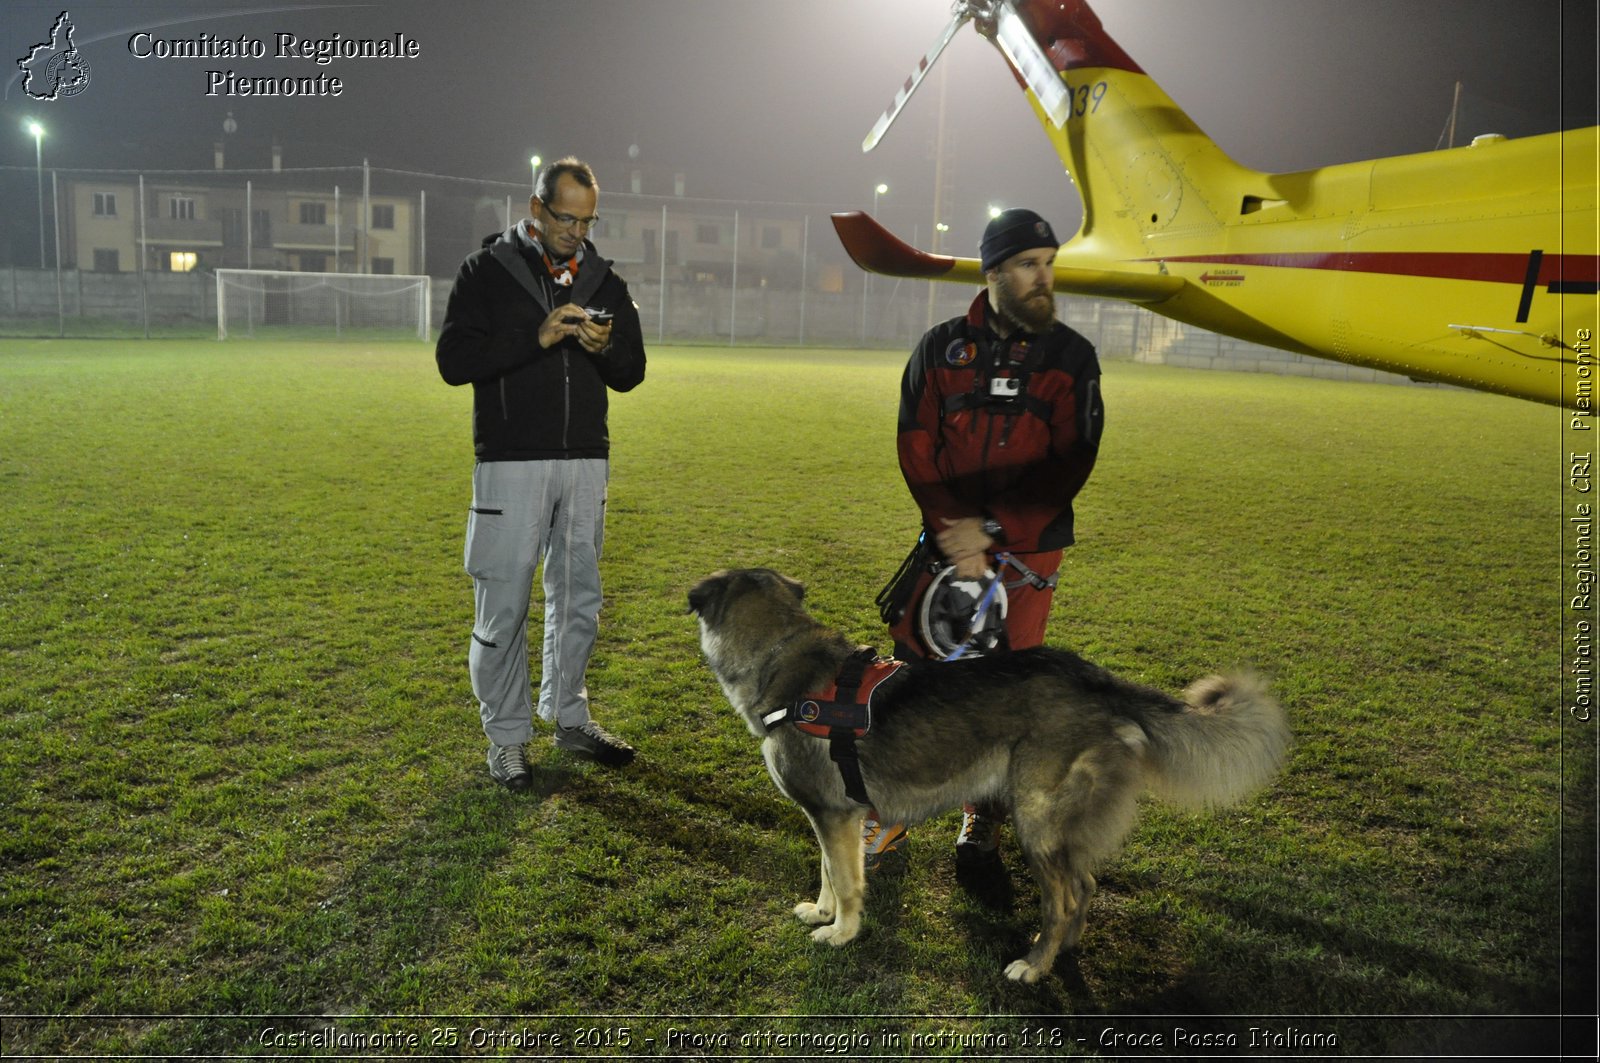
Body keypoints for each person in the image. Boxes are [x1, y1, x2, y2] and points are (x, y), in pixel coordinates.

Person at [867, 207, 1104, 868]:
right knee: (913, 679)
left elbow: (1071, 461)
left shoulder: (1072, 357)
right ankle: (888, 815)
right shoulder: (940, 348)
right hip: (947, 548)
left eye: (1050, 264)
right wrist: (954, 529)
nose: (1043, 276)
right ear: (995, 270)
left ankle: (983, 821)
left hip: (1026, 555)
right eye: (1029, 263)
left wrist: (991, 529)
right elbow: (917, 447)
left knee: (1005, 694)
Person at [436, 157, 646, 791]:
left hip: (585, 459)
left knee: (578, 599)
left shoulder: (604, 279)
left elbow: (633, 371)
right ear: (536, 208)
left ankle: (568, 715)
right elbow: (454, 360)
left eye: (586, 220)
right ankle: (506, 737)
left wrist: (604, 347)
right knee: (503, 603)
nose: (575, 231)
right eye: (565, 217)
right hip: (510, 463)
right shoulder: (486, 270)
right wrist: (539, 336)